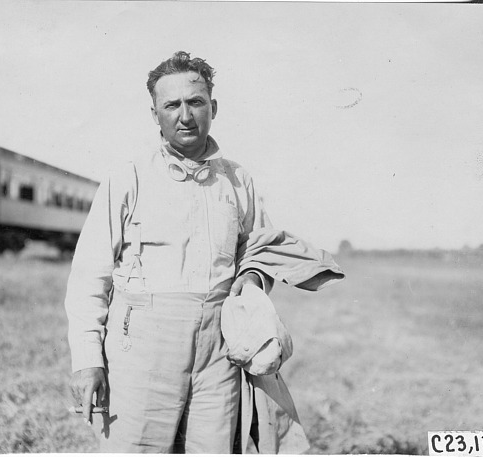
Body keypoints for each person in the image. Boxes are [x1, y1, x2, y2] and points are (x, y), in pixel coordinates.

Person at [64, 51, 344, 453]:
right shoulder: (128, 177)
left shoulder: (237, 180)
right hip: (142, 347)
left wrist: (250, 278)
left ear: (213, 107)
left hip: (219, 351)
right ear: (154, 113)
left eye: (195, 102)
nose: (184, 115)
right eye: (171, 105)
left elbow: (259, 252)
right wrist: (88, 359)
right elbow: (90, 276)